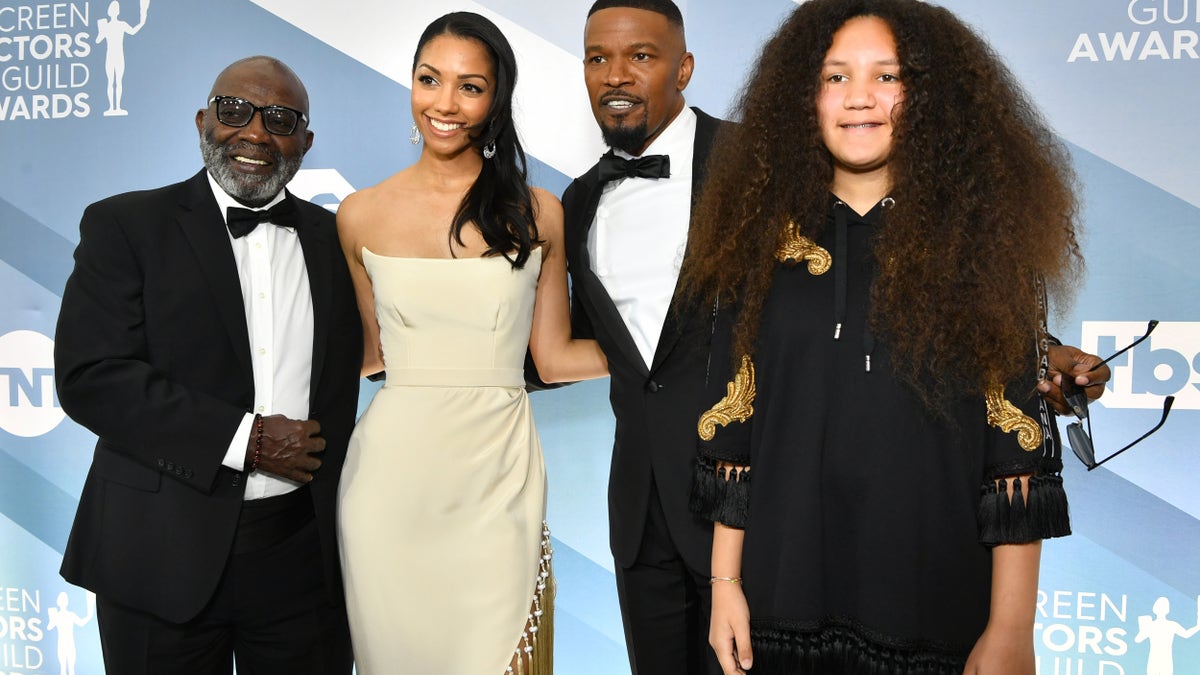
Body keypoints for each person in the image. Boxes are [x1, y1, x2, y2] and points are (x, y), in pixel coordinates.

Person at [559, 1, 1109, 673]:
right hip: (781, 606)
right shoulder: (754, 240)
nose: (859, 98)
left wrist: (1012, 626)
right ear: (806, 96)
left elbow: (1017, 458)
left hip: (936, 611)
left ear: (928, 95)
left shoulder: (986, 252)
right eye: (837, 77)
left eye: (886, 77)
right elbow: (735, 425)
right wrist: (725, 587)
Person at [54, 56, 361, 674]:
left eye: (279, 119)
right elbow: (91, 377)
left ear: (305, 141)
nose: (254, 133)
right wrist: (244, 440)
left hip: (302, 561)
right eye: (234, 111)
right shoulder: (126, 225)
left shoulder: (340, 240)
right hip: (156, 552)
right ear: (203, 121)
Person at [334, 12, 607, 675]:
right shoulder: (358, 214)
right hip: (389, 487)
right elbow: (371, 357)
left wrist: (666, 351)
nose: (445, 104)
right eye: (430, 80)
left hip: (497, 480)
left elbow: (553, 357)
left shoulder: (538, 211)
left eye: (470, 86)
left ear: (496, 101)